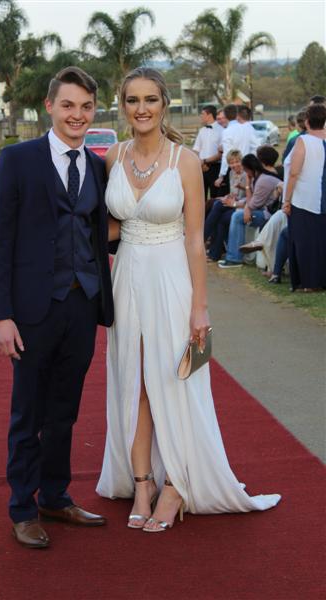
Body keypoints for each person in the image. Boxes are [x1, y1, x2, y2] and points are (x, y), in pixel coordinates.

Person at [96, 67, 280, 532]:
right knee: (133, 383)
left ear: (164, 104)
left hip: (172, 278)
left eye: (150, 100)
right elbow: (108, 226)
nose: (141, 108)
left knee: (173, 380)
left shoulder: (185, 162)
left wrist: (200, 307)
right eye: (133, 100)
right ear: (123, 105)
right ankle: (142, 483)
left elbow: (196, 240)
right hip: (126, 277)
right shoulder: (113, 157)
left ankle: (176, 484)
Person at [0, 66, 114, 548]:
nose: (77, 115)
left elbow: (98, 233)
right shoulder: (18, 159)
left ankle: (56, 496)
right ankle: (22, 507)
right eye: (68, 105)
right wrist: (1, 314)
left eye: (86, 107)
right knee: (28, 413)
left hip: (83, 306)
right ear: (49, 106)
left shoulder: (98, 168)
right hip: (32, 310)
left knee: (65, 411)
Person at [283, 103, 326, 291]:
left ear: (307, 122)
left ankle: (309, 282)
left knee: (305, 242)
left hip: (305, 198)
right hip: (321, 197)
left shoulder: (304, 141)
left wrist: (287, 199)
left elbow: (294, 172)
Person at [218, 147, 281, 268]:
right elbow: (251, 201)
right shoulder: (258, 177)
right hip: (262, 210)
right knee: (223, 209)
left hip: (267, 214)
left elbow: (254, 203)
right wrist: (246, 202)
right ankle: (229, 253)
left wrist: (246, 205)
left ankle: (234, 258)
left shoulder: (263, 179)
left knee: (237, 216)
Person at [204, 149, 247, 262]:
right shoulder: (231, 173)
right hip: (233, 204)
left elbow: (249, 197)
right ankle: (213, 253)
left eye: (237, 162)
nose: (234, 165)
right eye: (231, 163)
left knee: (217, 206)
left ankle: (203, 239)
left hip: (242, 206)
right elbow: (234, 193)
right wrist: (228, 197)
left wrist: (233, 202)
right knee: (217, 208)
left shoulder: (247, 175)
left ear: (241, 161)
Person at [215, 104, 259, 189]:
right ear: (237, 114)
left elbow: (226, 154)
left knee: (234, 192)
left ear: (226, 116)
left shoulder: (227, 131)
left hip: (233, 167)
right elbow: (256, 147)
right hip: (247, 166)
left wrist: (221, 175)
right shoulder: (247, 128)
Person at [192, 105, 223, 200]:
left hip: (215, 168)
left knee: (214, 196)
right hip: (201, 168)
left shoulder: (221, 130)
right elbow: (196, 149)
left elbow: (221, 153)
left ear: (209, 115)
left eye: (202, 114)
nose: (201, 116)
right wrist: (200, 163)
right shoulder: (201, 131)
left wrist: (205, 161)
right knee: (201, 197)